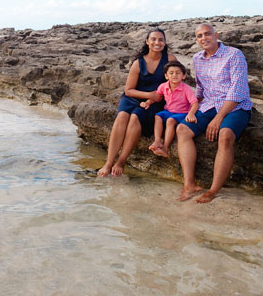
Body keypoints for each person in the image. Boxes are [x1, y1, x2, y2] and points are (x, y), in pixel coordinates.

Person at [176, 23, 253, 203]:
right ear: (196, 40)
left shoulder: (234, 54)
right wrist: (192, 107)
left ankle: (213, 190)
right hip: (209, 104)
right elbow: (200, 88)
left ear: (216, 35)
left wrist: (219, 118)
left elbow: (238, 90)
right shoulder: (197, 58)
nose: (204, 38)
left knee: (225, 136)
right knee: (182, 130)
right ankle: (189, 184)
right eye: (199, 36)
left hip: (235, 106)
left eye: (207, 34)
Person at [97, 28, 180, 177]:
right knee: (122, 116)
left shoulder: (170, 59)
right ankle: (108, 162)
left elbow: (176, 80)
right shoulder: (138, 63)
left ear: (165, 42)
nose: (157, 42)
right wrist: (148, 94)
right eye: (153, 39)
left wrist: (156, 97)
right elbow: (129, 90)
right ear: (147, 42)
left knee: (135, 117)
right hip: (133, 97)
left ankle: (121, 161)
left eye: (160, 39)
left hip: (155, 101)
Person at [144, 61, 199, 158]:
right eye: (171, 73)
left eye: (178, 73)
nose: (174, 75)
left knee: (170, 120)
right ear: (166, 76)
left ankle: (165, 148)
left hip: (182, 113)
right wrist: (148, 102)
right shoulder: (163, 86)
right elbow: (157, 96)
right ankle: (157, 141)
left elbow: (195, 103)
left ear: (183, 76)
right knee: (158, 116)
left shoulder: (186, 89)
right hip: (168, 111)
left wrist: (191, 114)